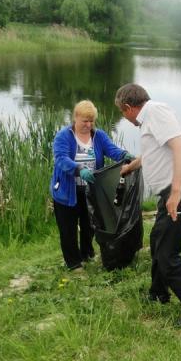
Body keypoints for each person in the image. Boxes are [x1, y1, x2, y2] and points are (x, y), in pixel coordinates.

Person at [115, 83, 181, 326]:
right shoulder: (151, 116)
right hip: (171, 192)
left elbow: (180, 147)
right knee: (158, 241)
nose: (125, 118)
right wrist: (130, 167)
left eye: (122, 112)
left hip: (180, 191)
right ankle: (158, 293)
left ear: (128, 108)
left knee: (167, 254)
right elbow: (155, 152)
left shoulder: (156, 113)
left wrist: (176, 192)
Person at [51, 100, 130, 270]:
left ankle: (87, 254)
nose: (88, 125)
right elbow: (61, 159)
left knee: (89, 225)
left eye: (91, 121)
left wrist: (125, 155)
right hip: (67, 191)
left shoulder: (98, 135)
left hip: (90, 190)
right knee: (68, 229)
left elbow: (112, 151)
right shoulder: (63, 136)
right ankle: (73, 263)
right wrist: (79, 170)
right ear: (75, 118)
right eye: (84, 121)